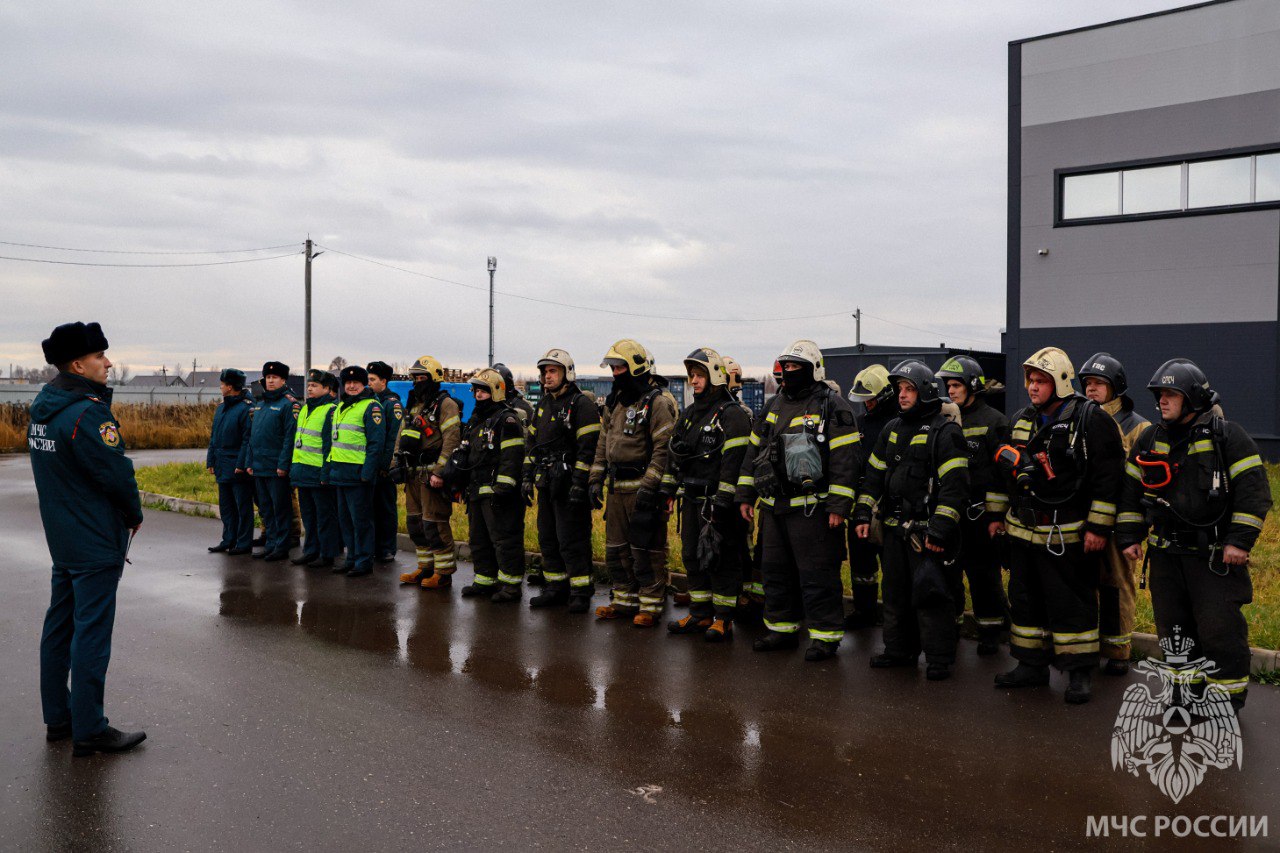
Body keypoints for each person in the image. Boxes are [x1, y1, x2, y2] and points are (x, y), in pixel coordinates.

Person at [1117, 360, 1271, 712]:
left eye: (1171, 394)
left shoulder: (1227, 436)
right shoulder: (1150, 438)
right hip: (1167, 555)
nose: (1162, 401)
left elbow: (1254, 492)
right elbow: (1129, 491)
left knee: (1219, 630)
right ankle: (1185, 692)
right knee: (1174, 630)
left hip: (1214, 557)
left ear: (1194, 398)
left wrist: (1239, 542)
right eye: (1160, 395)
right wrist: (1129, 535)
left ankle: (1224, 700)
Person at [30, 321, 146, 755]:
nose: (109, 363)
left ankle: (58, 719)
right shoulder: (87, 412)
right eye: (101, 357)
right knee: (90, 634)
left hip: (63, 537)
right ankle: (90, 728)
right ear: (79, 364)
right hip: (94, 540)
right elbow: (115, 473)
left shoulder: (45, 404)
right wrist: (133, 515)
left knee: (58, 628)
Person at [993, 347, 1124, 704]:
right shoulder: (1022, 419)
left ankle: (1079, 672)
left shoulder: (1091, 420)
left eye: (1041, 381)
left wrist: (1098, 528)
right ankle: (1030, 666)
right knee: (1025, 602)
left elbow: (1109, 479)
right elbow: (1006, 472)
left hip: (1067, 534)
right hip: (1023, 532)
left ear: (1061, 382)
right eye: (1031, 380)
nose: (1033, 388)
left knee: (1072, 603)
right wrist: (998, 518)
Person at [735, 340, 861, 661]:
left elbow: (845, 460)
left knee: (817, 574)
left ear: (813, 370)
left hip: (813, 508)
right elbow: (753, 453)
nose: (788, 373)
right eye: (785, 367)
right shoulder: (774, 404)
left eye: (795, 368)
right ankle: (781, 629)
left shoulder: (833, 406)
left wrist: (838, 507)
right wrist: (745, 495)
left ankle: (825, 637)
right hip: (774, 507)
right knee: (775, 571)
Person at [853, 361, 969, 680]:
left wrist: (941, 529)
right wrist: (863, 512)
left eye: (909, 390)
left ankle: (938, 658)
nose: (902, 396)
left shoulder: (945, 431)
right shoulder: (891, 430)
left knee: (931, 595)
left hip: (927, 533)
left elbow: (956, 488)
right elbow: (873, 478)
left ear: (926, 392)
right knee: (894, 594)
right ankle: (898, 650)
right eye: (900, 390)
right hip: (894, 531)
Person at [662, 348, 752, 641]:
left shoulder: (733, 415)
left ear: (714, 376)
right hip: (691, 498)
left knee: (721, 559)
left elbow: (733, 464)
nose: (694, 381)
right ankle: (700, 614)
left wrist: (724, 501)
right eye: (691, 376)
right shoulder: (690, 414)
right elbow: (675, 455)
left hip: (717, 503)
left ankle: (724, 619)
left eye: (699, 375)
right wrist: (669, 490)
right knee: (691, 555)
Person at [590, 339, 679, 626]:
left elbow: (663, 449)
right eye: (613, 367)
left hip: (643, 489)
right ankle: (623, 600)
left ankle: (651, 604)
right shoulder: (615, 401)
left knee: (647, 550)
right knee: (616, 549)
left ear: (636, 368)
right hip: (617, 488)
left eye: (620, 367)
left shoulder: (659, 403)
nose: (615, 373)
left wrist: (650, 487)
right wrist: (595, 478)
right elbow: (603, 442)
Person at [1079, 352, 1150, 675]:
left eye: (1099, 384)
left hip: (1121, 519)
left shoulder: (1139, 428)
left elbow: (1139, 482)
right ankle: (1087, 645)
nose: (1091, 389)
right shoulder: (1081, 419)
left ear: (1116, 387)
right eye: (1088, 383)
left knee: (1118, 584)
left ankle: (1119, 651)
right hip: (1087, 516)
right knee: (1085, 584)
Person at [935, 355, 1010, 654]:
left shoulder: (995, 421)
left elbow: (1001, 476)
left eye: (956, 385)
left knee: (984, 578)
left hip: (980, 517)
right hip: (950, 516)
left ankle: (991, 633)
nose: (951, 391)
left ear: (973, 386)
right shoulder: (942, 420)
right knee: (949, 576)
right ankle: (950, 628)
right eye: (948, 385)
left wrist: (995, 516)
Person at [523, 348, 601, 613]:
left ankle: (580, 590)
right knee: (548, 537)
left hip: (569, 482)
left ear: (567, 372)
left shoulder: (582, 405)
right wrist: (527, 476)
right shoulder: (543, 404)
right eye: (545, 372)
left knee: (572, 538)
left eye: (553, 371)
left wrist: (580, 482)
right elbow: (531, 442)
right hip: (546, 480)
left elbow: (588, 447)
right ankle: (556, 587)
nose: (547, 376)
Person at [458, 369, 528, 602]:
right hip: (477, 490)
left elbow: (512, 458)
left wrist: (504, 489)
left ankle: (510, 586)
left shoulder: (507, 420)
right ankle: (484, 579)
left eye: (483, 391)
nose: (478, 395)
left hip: (498, 493)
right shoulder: (476, 420)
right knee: (478, 538)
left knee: (504, 539)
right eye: (476, 390)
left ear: (496, 392)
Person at [395, 356, 462, 590]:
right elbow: (401, 434)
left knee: (434, 524)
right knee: (415, 524)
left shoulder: (446, 405)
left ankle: (443, 573)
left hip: (432, 474)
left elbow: (452, 440)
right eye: (415, 378)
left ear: (434, 378)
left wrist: (440, 472)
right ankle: (425, 568)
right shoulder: (414, 405)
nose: (417, 382)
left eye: (422, 378)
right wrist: (396, 462)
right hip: (413, 473)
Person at [844, 364, 896, 630]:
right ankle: (864, 611)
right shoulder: (860, 423)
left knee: (892, 567)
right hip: (861, 505)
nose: (867, 405)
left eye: (871, 399)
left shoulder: (898, 423)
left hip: (888, 506)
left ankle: (893, 617)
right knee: (862, 564)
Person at [326, 365, 386, 577]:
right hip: (340, 474)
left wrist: (367, 473)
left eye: (356, 383)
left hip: (358, 475)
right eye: (348, 383)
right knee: (346, 521)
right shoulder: (340, 407)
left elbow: (376, 444)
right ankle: (351, 557)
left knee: (361, 522)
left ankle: (363, 560)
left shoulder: (371, 407)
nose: (351, 386)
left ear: (364, 385)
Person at [288, 369, 341, 568]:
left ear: (327, 389)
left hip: (319, 473)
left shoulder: (330, 410)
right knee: (309, 516)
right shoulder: (304, 409)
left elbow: (330, 445)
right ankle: (310, 550)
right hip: (303, 471)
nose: (309, 388)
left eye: (314, 386)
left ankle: (327, 553)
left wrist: (326, 472)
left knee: (324, 516)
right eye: (309, 385)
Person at [246, 361, 299, 561]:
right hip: (260, 466)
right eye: (268, 378)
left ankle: (282, 546)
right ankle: (271, 543)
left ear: (283, 380)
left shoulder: (289, 404)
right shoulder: (261, 404)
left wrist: (283, 465)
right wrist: (250, 462)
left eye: (274, 377)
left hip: (276, 467)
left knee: (280, 509)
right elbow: (254, 437)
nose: (270, 381)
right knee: (266, 509)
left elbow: (289, 438)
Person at [206, 368, 255, 555]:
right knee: (226, 507)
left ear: (230, 386)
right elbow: (214, 437)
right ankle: (228, 539)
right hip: (222, 464)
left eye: (223, 384)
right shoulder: (221, 408)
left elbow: (247, 439)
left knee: (242, 507)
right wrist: (211, 460)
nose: (220, 387)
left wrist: (241, 464)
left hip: (236, 466)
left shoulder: (246, 408)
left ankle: (243, 542)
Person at [366, 361, 405, 564]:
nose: (369, 383)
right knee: (372, 508)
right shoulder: (370, 401)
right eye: (368, 379)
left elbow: (393, 438)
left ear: (384, 381)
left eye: (372, 379)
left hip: (384, 468)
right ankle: (374, 547)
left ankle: (387, 548)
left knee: (386, 509)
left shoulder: (391, 403)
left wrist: (386, 465)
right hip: (371, 466)